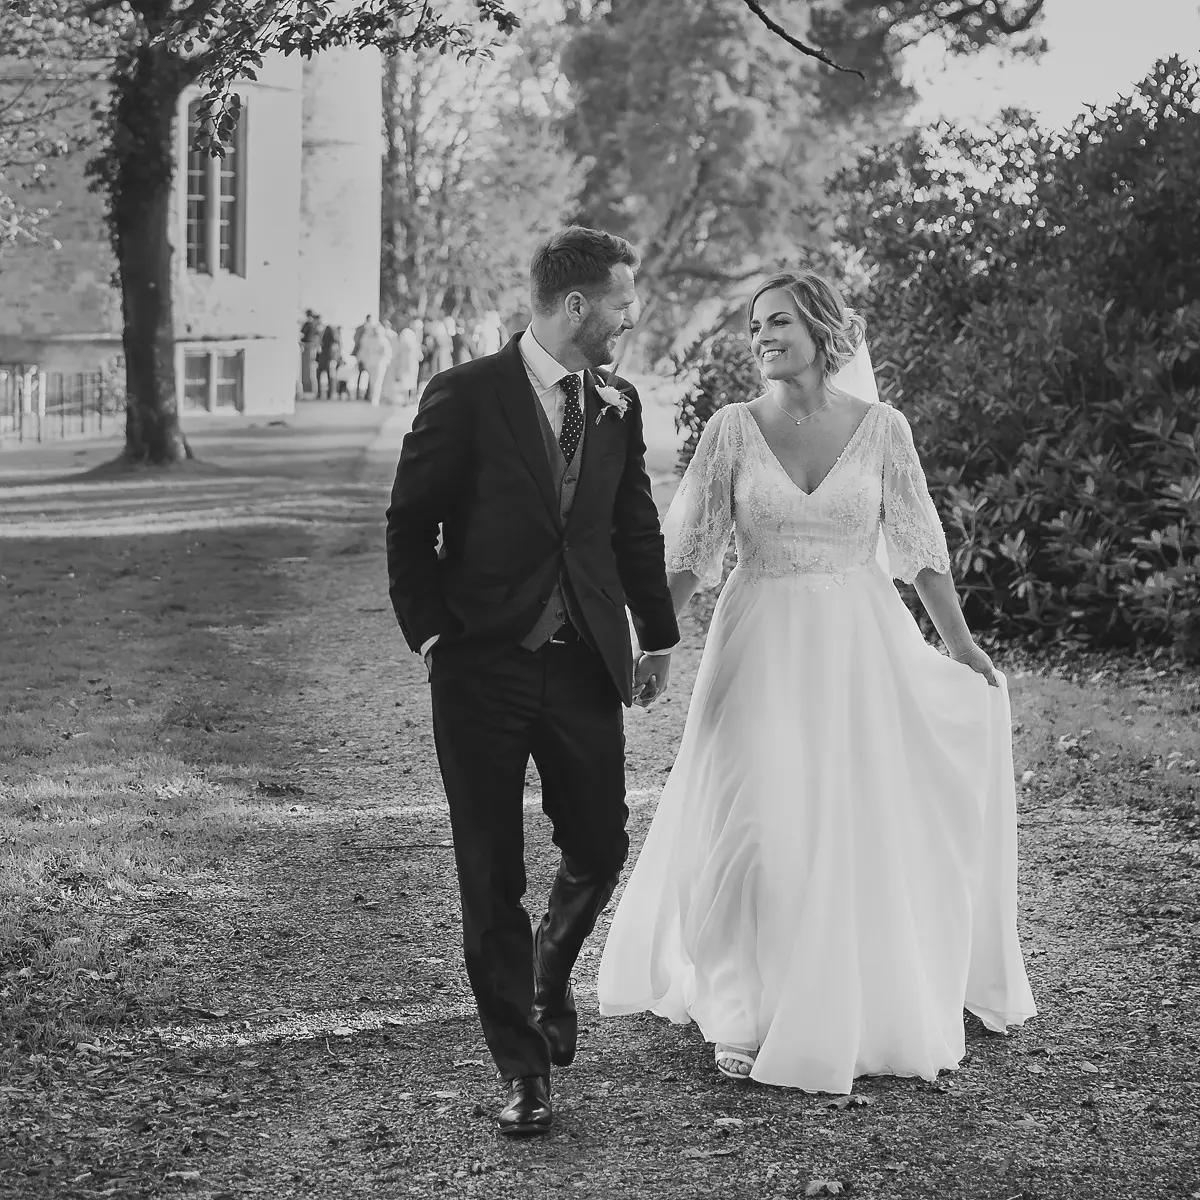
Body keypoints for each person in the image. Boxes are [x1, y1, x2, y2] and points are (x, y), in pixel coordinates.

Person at [597, 270, 1036, 1094]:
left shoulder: (882, 429)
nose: (762, 336)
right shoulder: (731, 429)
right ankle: (740, 1006)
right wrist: (652, 641)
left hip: (855, 647)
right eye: (755, 324)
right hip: (755, 639)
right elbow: (691, 552)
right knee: (751, 820)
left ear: (824, 331)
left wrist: (964, 649)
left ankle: (836, 990)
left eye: (779, 322)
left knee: (840, 822)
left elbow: (918, 551)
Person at [386, 226, 679, 1136]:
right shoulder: (465, 394)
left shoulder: (619, 402)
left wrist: (656, 637)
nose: (633, 318)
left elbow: (632, 528)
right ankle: (522, 1069)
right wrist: (435, 638)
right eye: (625, 302)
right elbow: (410, 527)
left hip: (585, 660)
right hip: (480, 667)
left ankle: (550, 969)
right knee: (490, 871)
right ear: (579, 305)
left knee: (600, 841)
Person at [356, 315, 394, 407]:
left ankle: (374, 398)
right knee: (375, 382)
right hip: (374, 364)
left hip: (376, 363)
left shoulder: (378, 339)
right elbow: (363, 351)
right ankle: (373, 398)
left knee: (376, 382)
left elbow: (386, 353)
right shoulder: (371, 339)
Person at [317, 322, 342, 399]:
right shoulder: (333, 340)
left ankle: (320, 393)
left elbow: (319, 350)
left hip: (323, 360)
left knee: (321, 376)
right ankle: (329, 393)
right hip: (328, 360)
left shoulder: (323, 340)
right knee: (330, 377)